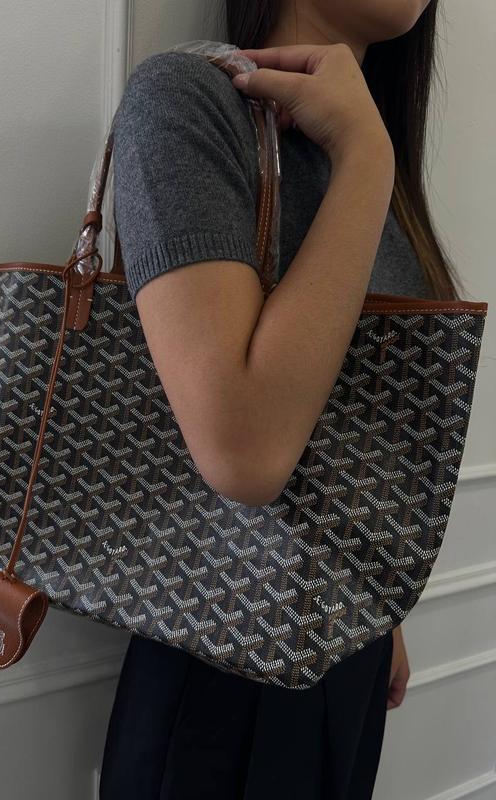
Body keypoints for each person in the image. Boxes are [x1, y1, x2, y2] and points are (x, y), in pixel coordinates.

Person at [99, 1, 461, 797]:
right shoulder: (187, 100)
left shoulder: (367, 148)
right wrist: (365, 156)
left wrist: (375, 606)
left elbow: (354, 424)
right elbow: (246, 454)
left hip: (345, 648)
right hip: (215, 661)